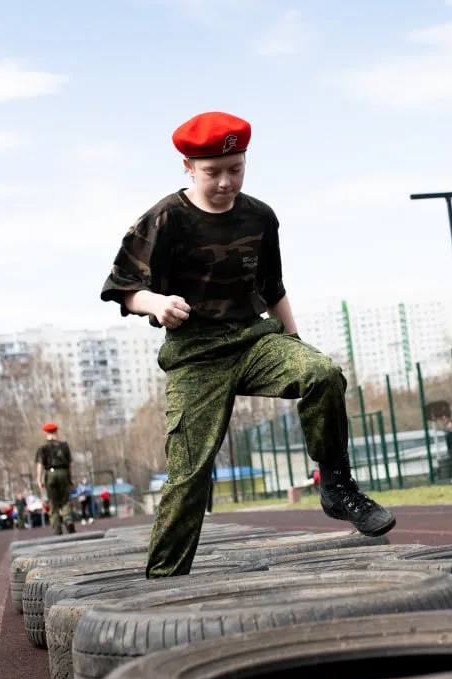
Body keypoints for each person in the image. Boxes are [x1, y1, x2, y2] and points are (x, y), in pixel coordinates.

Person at [99, 110, 395, 578]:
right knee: (190, 472)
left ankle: (337, 487)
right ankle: (163, 580)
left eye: (235, 169)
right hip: (196, 354)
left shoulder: (260, 217)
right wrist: (155, 304)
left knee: (322, 373)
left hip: (253, 341)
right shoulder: (163, 219)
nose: (224, 182)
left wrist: (297, 346)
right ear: (188, 168)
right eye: (212, 173)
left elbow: (273, 286)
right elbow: (123, 288)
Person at [34, 422, 76, 535]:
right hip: (63, 472)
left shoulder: (42, 447)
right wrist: (70, 478)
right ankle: (67, 518)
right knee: (65, 499)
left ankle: (57, 528)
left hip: (50, 473)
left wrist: (39, 479)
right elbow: (70, 464)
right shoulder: (64, 445)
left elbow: (40, 464)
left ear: (45, 433)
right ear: (56, 432)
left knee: (53, 502)